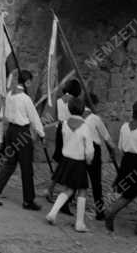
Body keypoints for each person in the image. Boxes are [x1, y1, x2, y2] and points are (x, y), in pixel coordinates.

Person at [0, 69, 45, 209]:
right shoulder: (25, 98)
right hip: (22, 134)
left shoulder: (9, 95)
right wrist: (41, 133)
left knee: (9, 165)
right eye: (30, 82)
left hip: (10, 131)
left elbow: (3, 113)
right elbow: (34, 118)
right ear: (27, 82)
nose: (30, 84)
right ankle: (28, 200)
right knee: (26, 168)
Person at [104, 100, 137, 236]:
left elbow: (120, 147)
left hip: (127, 161)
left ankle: (113, 212)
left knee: (128, 192)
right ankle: (136, 224)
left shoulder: (124, 127)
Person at [44, 97, 94, 232]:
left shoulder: (65, 124)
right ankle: (79, 223)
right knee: (82, 190)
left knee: (68, 189)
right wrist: (89, 160)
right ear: (83, 110)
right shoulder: (85, 127)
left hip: (66, 160)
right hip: (79, 162)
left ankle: (52, 213)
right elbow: (89, 149)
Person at [46, 78, 82, 208]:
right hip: (70, 129)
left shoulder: (59, 100)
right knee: (68, 161)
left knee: (62, 161)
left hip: (60, 129)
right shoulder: (75, 102)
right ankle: (64, 193)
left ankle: (55, 190)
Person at [84, 94, 116, 220]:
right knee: (96, 182)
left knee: (78, 177)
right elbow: (106, 136)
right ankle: (99, 211)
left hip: (81, 147)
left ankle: (66, 203)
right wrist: (113, 149)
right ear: (94, 104)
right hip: (93, 149)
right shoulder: (95, 118)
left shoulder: (78, 115)